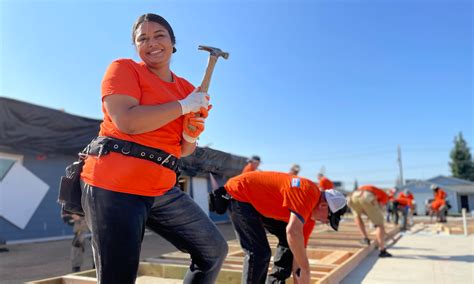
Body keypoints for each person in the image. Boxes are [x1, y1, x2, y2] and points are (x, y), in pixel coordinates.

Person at [80, 13, 227, 284]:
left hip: (161, 188)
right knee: (118, 277)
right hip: (115, 184)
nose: (151, 42)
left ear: (172, 42)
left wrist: (191, 133)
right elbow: (128, 122)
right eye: (142, 38)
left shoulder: (186, 89)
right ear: (136, 46)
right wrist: (183, 106)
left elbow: (183, 151)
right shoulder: (124, 69)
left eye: (159, 35)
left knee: (213, 250)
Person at [222, 171, 347, 284]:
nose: (325, 222)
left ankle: (275, 282)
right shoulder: (308, 192)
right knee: (259, 252)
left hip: (259, 203)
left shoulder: (309, 218)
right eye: (328, 219)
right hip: (240, 195)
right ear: (324, 206)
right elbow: (292, 232)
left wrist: (301, 277)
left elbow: (297, 252)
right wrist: (306, 269)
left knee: (290, 244)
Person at [347, 185, 392, 257]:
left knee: (357, 216)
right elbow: (379, 207)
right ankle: (382, 250)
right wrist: (375, 220)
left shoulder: (373, 189)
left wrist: (370, 215)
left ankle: (365, 238)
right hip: (367, 196)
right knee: (380, 224)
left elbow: (365, 208)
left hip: (354, 196)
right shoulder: (385, 197)